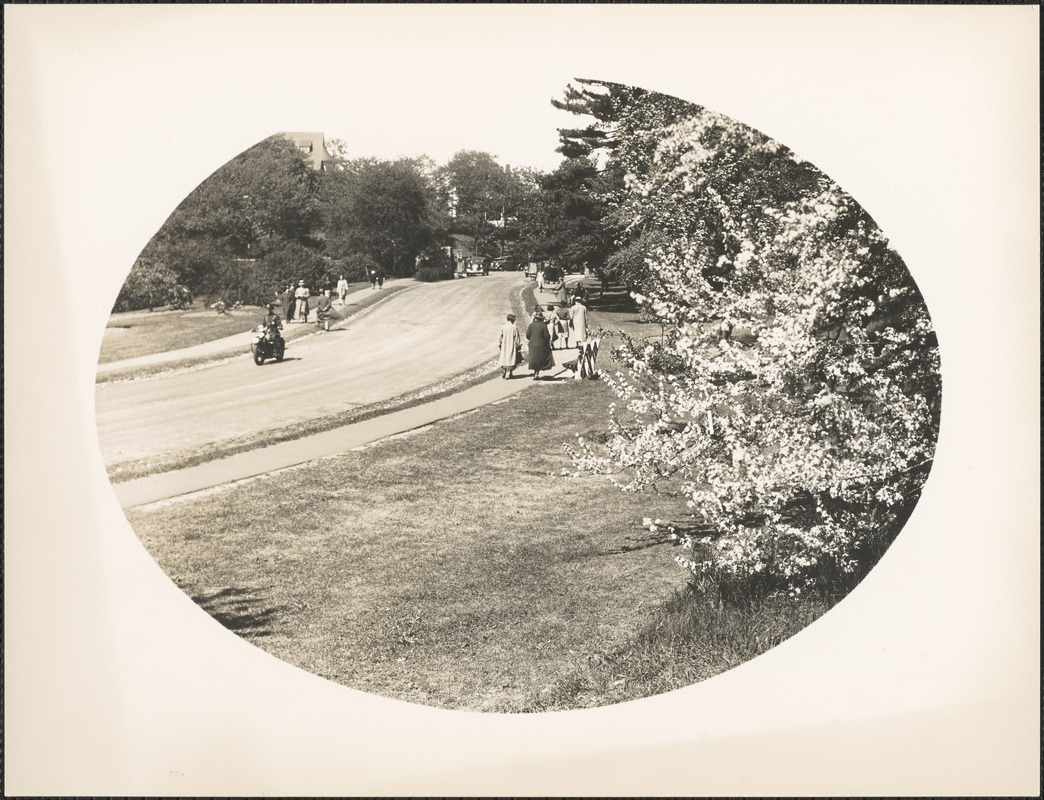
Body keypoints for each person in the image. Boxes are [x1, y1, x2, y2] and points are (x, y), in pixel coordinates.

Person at [527, 307, 554, 380]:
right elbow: (547, 336)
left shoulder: (531, 325)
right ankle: (537, 373)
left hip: (532, 344)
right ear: (541, 318)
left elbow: (527, 335)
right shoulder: (543, 325)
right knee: (540, 359)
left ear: (535, 318)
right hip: (541, 345)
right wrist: (546, 342)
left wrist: (532, 339)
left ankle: (535, 373)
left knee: (534, 359)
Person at [498, 313, 522, 379]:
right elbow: (517, 337)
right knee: (511, 357)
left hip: (504, 345)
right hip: (511, 344)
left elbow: (500, 336)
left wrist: (500, 344)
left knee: (504, 357)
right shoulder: (514, 327)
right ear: (512, 320)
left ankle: (504, 370)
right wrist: (519, 344)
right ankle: (511, 372)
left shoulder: (503, 327)